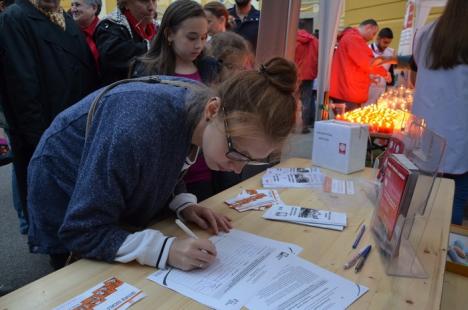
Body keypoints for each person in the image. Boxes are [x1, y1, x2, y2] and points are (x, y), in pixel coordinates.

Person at [27, 57, 298, 271]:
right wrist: (165, 250)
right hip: (64, 186)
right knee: (75, 277)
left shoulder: (197, 112)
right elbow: (82, 230)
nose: (238, 169)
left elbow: (165, 159)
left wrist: (182, 202)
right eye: (237, 153)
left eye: (252, 160)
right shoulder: (136, 128)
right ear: (213, 110)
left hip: (104, 179)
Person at [0, 0, 98, 222]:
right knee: (54, 213)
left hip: (76, 131)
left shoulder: (64, 18)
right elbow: (22, 89)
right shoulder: (15, 18)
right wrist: (42, 142)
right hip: (46, 135)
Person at [132, 0, 220, 201]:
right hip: (163, 178)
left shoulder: (210, 67)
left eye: (204, 37)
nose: (199, 45)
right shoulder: (147, 71)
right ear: (169, 34)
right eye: (191, 37)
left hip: (204, 173)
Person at [410, 0, 468, 225]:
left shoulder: (424, 34)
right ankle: (440, 255)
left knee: (418, 208)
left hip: (424, 136)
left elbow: (415, 79)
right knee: (451, 207)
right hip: (458, 142)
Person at [329, 19, 390, 111]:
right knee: (348, 124)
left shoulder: (350, 37)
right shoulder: (354, 39)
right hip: (347, 94)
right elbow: (368, 62)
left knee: (345, 123)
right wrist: (384, 73)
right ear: (368, 27)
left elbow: (352, 66)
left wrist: (368, 77)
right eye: (373, 33)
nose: (372, 38)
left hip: (345, 92)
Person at [94, 0, 157, 85]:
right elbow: (113, 54)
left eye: (154, 1)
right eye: (144, 1)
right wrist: (154, 47)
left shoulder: (158, 28)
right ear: (125, 3)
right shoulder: (109, 26)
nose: (151, 7)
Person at [295, 20, 318, 133]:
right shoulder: (314, 40)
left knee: (293, 99)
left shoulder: (292, 38)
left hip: (295, 73)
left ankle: (294, 125)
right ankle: (305, 125)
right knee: (307, 99)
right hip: (309, 74)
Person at [366, 27, 395, 105]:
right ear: (378, 38)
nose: (386, 45)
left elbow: (390, 72)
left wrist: (390, 91)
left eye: (389, 43)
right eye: (385, 42)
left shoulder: (390, 52)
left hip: (381, 90)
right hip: (367, 90)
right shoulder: (367, 49)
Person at [71, 0, 102, 68]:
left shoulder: (108, 33)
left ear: (94, 8)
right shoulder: (69, 32)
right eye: (72, 5)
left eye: (77, 5)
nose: (73, 9)